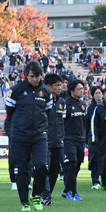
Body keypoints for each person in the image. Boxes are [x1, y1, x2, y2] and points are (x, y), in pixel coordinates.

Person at [5, 60, 53, 212]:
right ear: (25, 75)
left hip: (39, 135)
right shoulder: (16, 90)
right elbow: (9, 115)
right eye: (32, 76)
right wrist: (12, 133)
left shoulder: (46, 91)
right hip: (20, 136)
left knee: (41, 166)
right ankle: (25, 202)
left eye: (38, 76)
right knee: (22, 169)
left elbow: (48, 113)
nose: (35, 79)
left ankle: (36, 195)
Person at [41, 73, 66, 205]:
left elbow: (63, 122)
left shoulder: (62, 102)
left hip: (58, 142)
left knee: (55, 170)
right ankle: (45, 196)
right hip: (44, 141)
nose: (60, 87)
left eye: (60, 85)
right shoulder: (42, 100)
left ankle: (47, 194)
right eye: (57, 85)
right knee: (44, 168)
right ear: (49, 86)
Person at [63, 80, 88, 202]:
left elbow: (85, 123)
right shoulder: (66, 104)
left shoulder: (83, 104)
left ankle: (66, 189)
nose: (81, 91)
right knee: (72, 164)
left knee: (76, 166)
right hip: (68, 139)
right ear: (72, 91)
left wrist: (86, 138)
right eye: (79, 89)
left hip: (80, 140)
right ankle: (74, 193)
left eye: (82, 88)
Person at [86, 86, 106, 190]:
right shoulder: (90, 108)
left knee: (104, 159)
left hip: (104, 139)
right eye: (96, 93)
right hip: (93, 138)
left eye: (100, 93)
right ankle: (95, 181)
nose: (99, 95)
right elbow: (87, 124)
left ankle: (104, 181)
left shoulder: (105, 106)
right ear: (93, 95)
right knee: (94, 160)